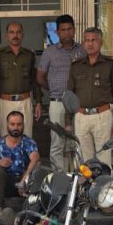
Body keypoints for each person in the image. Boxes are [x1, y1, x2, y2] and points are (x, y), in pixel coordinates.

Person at [67, 27, 113, 166]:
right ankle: (86, 182)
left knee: (103, 159)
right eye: (87, 40)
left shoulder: (110, 64)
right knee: (84, 160)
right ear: (83, 43)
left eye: (94, 40)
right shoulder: (76, 66)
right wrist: (68, 121)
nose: (90, 43)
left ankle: (105, 181)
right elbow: (69, 95)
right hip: (81, 117)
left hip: (102, 116)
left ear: (101, 43)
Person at [36, 14, 86, 170]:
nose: (67, 33)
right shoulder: (50, 52)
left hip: (78, 104)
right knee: (57, 141)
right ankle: (59, 176)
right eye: (63, 30)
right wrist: (53, 89)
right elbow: (40, 77)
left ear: (74, 30)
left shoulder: (82, 50)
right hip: (57, 102)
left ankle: (77, 176)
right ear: (57, 32)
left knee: (77, 141)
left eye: (69, 29)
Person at [0, 22, 42, 138]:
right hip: (4, 102)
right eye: (12, 32)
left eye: (18, 32)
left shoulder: (29, 55)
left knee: (26, 135)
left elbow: (34, 80)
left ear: (22, 35)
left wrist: (39, 101)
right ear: (7, 36)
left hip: (25, 101)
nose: (15, 35)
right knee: (5, 135)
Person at [0, 111, 39, 220]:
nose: (16, 127)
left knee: (37, 170)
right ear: (7, 125)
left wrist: (24, 179)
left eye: (19, 124)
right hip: (5, 184)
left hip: (23, 183)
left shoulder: (28, 142)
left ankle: (30, 211)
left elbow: (35, 158)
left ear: (23, 125)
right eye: (12, 124)